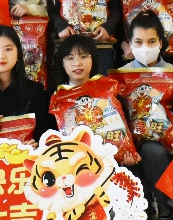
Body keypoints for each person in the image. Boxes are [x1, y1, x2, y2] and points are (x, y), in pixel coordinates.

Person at [121, 11, 173, 220]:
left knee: (152, 150)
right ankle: (143, 204)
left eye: (151, 42)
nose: (145, 48)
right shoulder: (119, 76)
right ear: (130, 43)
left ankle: (164, 204)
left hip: (164, 144)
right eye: (138, 42)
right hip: (131, 141)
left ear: (161, 43)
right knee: (125, 151)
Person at [48, 33, 141, 167]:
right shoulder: (57, 97)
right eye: (70, 58)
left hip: (113, 163)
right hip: (76, 166)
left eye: (84, 56)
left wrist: (128, 155)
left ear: (93, 59)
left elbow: (124, 128)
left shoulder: (108, 87)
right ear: (62, 63)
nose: (77, 63)